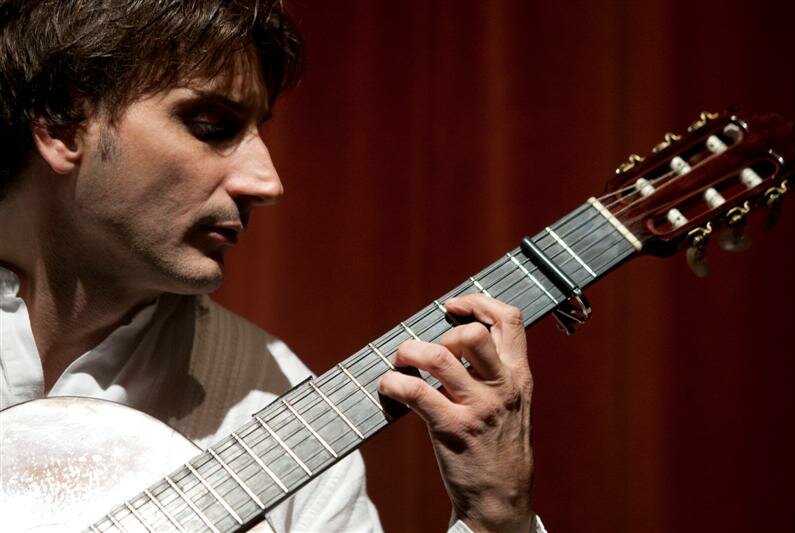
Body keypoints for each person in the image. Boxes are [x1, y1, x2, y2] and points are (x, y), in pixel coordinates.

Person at [0, 1, 543, 531]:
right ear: (62, 124)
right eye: (212, 125)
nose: (267, 183)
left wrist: (497, 518)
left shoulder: (276, 397)